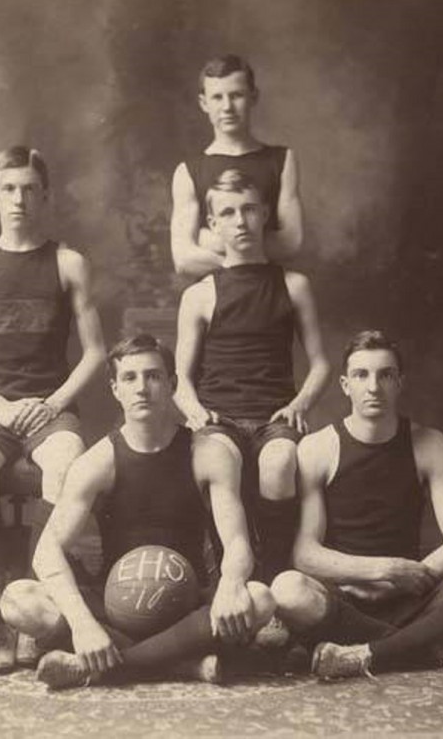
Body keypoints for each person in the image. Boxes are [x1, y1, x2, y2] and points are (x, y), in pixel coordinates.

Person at [0, 334, 276, 690]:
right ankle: (183, 663)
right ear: (115, 389)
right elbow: (47, 552)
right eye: (129, 378)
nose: (141, 388)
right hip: (117, 609)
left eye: (153, 376)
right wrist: (84, 624)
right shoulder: (96, 462)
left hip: (187, 605)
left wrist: (231, 584)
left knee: (261, 597)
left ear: (173, 385)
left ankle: (109, 665)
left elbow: (237, 541)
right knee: (18, 600)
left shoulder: (208, 452)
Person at [271, 330, 443, 679]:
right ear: (345, 385)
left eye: (385, 374)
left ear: (400, 383)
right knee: (287, 590)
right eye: (362, 375)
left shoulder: (429, 444)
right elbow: (305, 554)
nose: (374, 386)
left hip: (415, 594)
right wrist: (383, 571)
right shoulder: (317, 448)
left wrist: (408, 576)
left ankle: (365, 654)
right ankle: (433, 647)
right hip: (349, 596)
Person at [0, 146, 106, 672]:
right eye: (9, 188)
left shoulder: (67, 262)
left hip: (49, 404)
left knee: (65, 459)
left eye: (30, 188)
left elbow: (96, 351)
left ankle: (37, 603)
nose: (19, 198)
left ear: (45, 195)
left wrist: (53, 403)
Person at [175, 168, 330, 584]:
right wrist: (194, 411)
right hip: (219, 418)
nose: (240, 222)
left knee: (279, 463)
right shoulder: (200, 294)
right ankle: (230, 577)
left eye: (248, 210)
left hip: (274, 418)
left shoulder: (294, 285)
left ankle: (275, 575)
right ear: (213, 224)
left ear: (264, 213)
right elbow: (181, 379)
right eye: (227, 213)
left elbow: (320, 363)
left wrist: (299, 405)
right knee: (217, 462)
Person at [170, 54, 303, 278]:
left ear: (253, 97)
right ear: (204, 103)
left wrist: (209, 240)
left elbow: (292, 243)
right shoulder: (188, 171)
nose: (227, 107)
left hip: (270, 292)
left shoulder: (282, 160)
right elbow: (183, 259)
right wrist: (243, 259)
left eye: (236, 95)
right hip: (215, 298)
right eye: (217, 97)